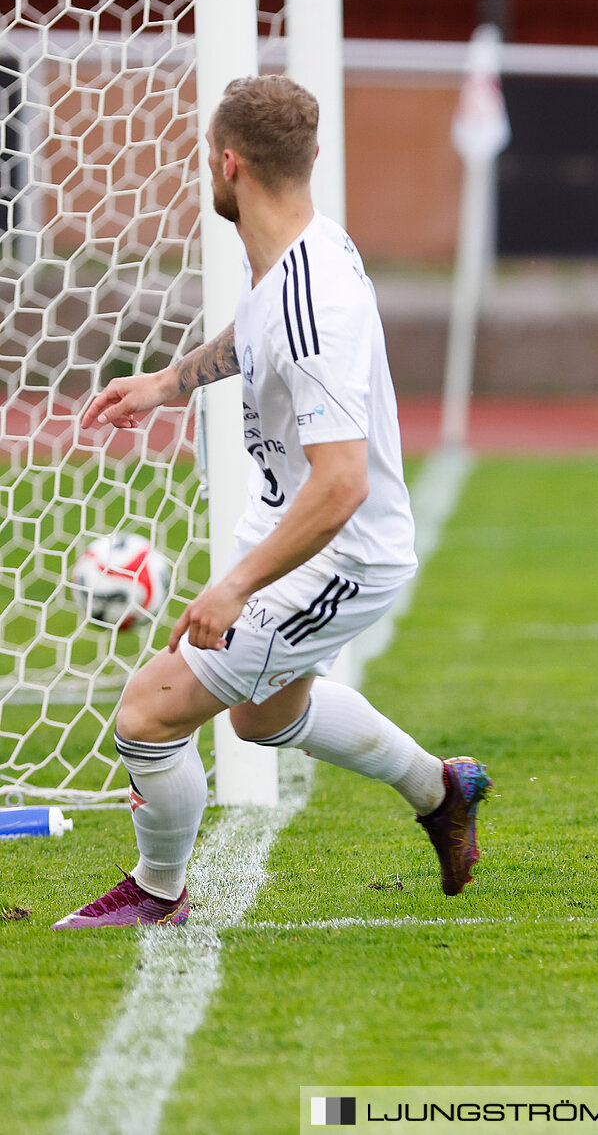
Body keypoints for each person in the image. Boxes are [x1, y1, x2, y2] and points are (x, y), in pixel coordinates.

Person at [56, 75, 490, 929]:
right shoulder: (301, 250)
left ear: (227, 164)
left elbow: (342, 484)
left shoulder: (312, 302)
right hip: (294, 514)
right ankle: (442, 788)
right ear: (310, 158)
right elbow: (255, 332)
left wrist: (235, 586)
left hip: (342, 549)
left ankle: (156, 893)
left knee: (148, 712)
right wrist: (170, 383)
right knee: (262, 717)